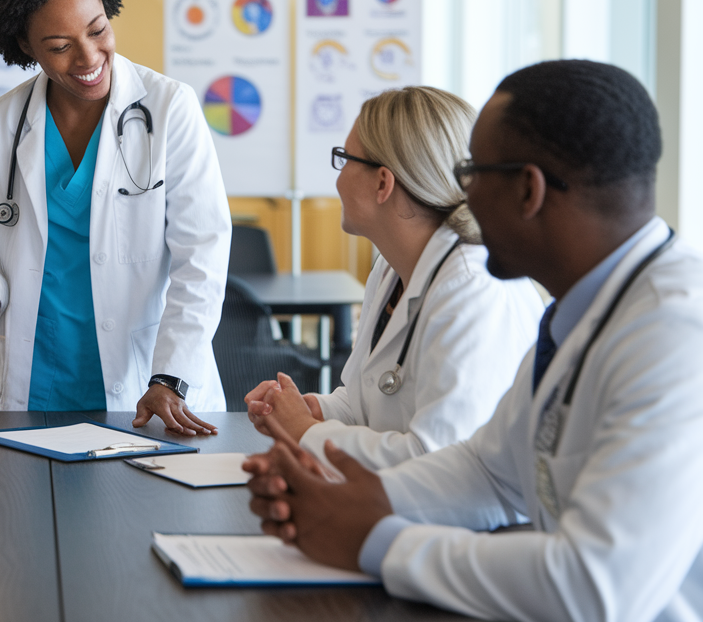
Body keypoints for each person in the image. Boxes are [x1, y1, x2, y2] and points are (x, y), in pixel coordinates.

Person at [246, 60, 703, 621]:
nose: (459, 198)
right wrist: (359, 502)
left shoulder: (675, 333)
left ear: (527, 190)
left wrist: (373, 538)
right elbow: (489, 471)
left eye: (472, 175)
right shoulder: (584, 310)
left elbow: (592, 587)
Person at [0, 0, 229, 433]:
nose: (88, 56)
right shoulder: (0, 124)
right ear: (25, 46)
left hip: (146, 383)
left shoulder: (168, 109)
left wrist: (170, 376)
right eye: (59, 47)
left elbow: (201, 254)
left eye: (98, 30)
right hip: (30, 382)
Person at [243, 86, 543, 469]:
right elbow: (362, 401)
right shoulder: (391, 268)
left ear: (383, 183)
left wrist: (304, 431)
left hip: (466, 524)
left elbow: (441, 463)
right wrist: (310, 409)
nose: (338, 179)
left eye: (344, 159)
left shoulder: (474, 286)